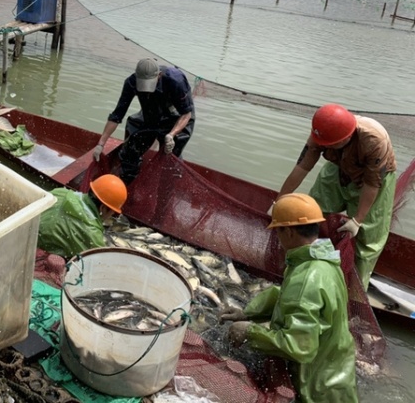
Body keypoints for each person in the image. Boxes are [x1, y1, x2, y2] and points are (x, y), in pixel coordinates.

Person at [220, 193, 358, 403]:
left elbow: (300, 347)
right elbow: (284, 296)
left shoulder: (307, 278)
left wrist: (251, 332)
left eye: (278, 231)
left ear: (290, 232)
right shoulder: (323, 261)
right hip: (338, 374)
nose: (277, 238)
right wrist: (247, 313)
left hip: (317, 389)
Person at [276, 103, 396, 290]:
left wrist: (357, 220)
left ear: (346, 138)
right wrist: (280, 200)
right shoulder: (321, 134)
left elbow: (372, 184)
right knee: (311, 215)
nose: (323, 146)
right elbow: (302, 167)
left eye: (330, 145)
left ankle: (354, 293)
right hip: (338, 167)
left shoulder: (373, 140)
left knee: (366, 239)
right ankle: (302, 270)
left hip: (374, 179)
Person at [93, 57, 194, 184]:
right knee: (131, 149)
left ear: (159, 75)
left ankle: (164, 193)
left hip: (177, 117)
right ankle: (128, 185)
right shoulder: (131, 82)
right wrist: (101, 144)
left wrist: (171, 135)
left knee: (169, 158)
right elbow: (117, 115)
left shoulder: (175, 80)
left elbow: (186, 114)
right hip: (150, 114)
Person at [37, 174, 127, 258]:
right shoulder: (92, 235)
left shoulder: (60, 192)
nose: (112, 215)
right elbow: (97, 262)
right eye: (113, 212)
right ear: (103, 208)